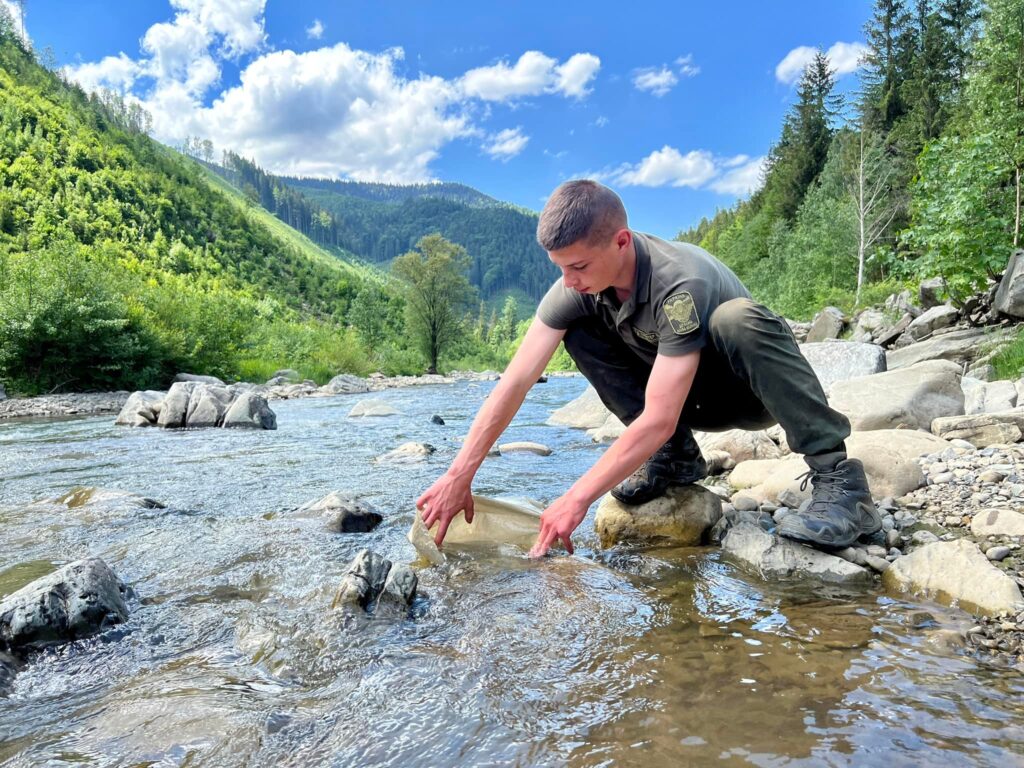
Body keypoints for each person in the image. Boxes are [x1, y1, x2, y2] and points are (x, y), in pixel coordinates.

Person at [417, 179, 878, 558]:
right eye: (560, 268)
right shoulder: (575, 287)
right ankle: (677, 458)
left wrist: (576, 499)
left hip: (745, 393)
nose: (568, 280)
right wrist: (460, 474)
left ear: (621, 241)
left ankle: (840, 481)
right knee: (574, 329)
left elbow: (658, 415)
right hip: (678, 397)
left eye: (577, 265)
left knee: (736, 319)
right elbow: (515, 381)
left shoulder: (679, 281)